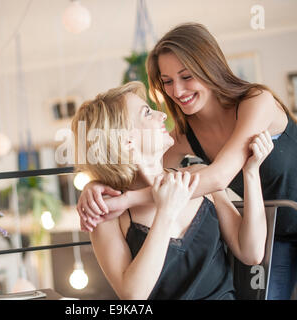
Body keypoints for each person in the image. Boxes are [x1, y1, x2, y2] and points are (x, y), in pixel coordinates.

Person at [77, 23, 297, 300]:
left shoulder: (256, 101)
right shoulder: (183, 135)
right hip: (275, 235)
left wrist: (124, 201)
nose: (176, 91)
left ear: (210, 69)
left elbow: (217, 177)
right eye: (167, 81)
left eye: (186, 76)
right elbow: (133, 164)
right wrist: (96, 185)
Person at [71, 81, 273, 300]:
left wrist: (251, 172)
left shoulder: (200, 177)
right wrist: (166, 212)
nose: (162, 116)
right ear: (126, 141)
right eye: (147, 113)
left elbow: (251, 253)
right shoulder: (108, 216)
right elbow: (133, 295)